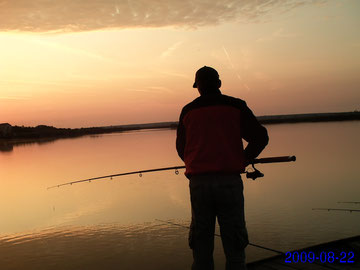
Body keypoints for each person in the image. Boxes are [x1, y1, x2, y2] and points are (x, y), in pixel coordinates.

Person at [176, 66, 268, 270]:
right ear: (218, 84)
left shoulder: (188, 111)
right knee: (235, 248)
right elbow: (260, 138)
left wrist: (194, 162)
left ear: (198, 87)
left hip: (199, 185)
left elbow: (181, 149)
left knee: (201, 249)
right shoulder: (236, 106)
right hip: (229, 183)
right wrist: (244, 159)